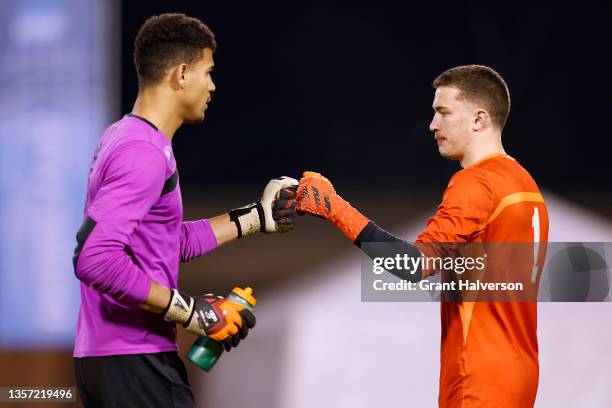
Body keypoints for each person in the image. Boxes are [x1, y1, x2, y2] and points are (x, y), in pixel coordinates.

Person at [72, 13, 298, 407]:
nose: (212, 85)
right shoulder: (144, 153)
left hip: (112, 360)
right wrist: (193, 313)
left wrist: (254, 219)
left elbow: (161, 243)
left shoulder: (125, 137)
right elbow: (94, 258)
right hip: (135, 363)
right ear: (181, 74)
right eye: (207, 72)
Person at [296, 65, 549, 407]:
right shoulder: (524, 183)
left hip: (479, 381)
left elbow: (412, 265)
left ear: (479, 119)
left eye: (443, 113)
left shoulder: (477, 182)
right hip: (520, 374)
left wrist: (334, 208)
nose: (432, 125)